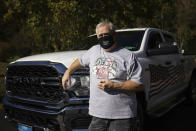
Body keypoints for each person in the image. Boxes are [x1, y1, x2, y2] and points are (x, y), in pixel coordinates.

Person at [62, 21, 144, 131]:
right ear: (97, 37)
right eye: (100, 35)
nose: (104, 38)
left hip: (121, 117)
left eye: (107, 35)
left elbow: (139, 85)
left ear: (114, 35)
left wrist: (114, 85)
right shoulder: (93, 51)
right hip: (97, 115)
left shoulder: (128, 57)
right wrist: (68, 72)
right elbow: (80, 61)